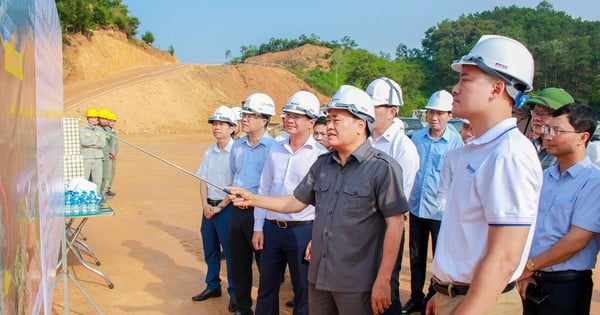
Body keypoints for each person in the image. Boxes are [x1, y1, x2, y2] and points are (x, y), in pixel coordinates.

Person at [227, 85, 408, 315]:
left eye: (337, 120)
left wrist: (384, 280)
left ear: (360, 124)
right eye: (329, 118)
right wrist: (254, 199)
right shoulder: (323, 164)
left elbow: (396, 224)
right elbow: (295, 202)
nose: (329, 126)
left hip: (357, 283)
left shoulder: (382, 168)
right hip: (320, 279)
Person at [426, 34, 543, 315]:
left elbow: (504, 258)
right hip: (463, 296)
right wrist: (444, 293)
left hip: (484, 304)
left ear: (496, 88)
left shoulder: (508, 154)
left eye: (465, 79)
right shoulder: (478, 148)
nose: (455, 89)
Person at [518, 103, 600, 315]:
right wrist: (530, 273)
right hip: (535, 280)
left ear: (583, 137)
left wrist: (528, 267)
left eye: (557, 131)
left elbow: (577, 240)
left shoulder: (593, 182)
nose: (548, 136)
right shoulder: (545, 177)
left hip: (567, 286)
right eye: (547, 129)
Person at [253, 91, 327, 315]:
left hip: (303, 231)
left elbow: (323, 203)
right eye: (288, 115)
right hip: (272, 228)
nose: (290, 120)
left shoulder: (320, 156)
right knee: (266, 287)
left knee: (303, 290)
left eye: (297, 116)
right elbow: (264, 189)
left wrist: (316, 238)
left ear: (312, 122)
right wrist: (258, 226)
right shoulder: (275, 148)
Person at [404, 90, 463, 314]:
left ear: (449, 115)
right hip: (417, 208)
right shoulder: (417, 138)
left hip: (441, 213)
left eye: (439, 113)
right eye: (431, 112)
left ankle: (435, 297)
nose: (434, 117)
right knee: (416, 257)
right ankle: (416, 297)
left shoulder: (456, 143)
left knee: (440, 259)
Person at [366, 77, 420, 314]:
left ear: (392, 111)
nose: (369, 112)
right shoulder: (364, 140)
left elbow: (399, 201)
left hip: (386, 228)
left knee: (386, 289)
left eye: (375, 107)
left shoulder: (403, 148)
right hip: (359, 228)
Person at [229, 93, 276, 315]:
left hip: (262, 215)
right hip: (237, 213)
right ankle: (242, 308)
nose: (244, 119)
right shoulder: (237, 146)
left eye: (250, 115)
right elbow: (234, 175)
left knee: (266, 269)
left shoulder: (274, 149)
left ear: (264, 120)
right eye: (244, 114)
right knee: (238, 266)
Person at [192, 106, 239, 312]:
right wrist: (205, 205)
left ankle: (236, 293)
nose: (216, 127)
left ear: (232, 128)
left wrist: (220, 207)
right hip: (208, 208)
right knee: (210, 249)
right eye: (214, 124)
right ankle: (212, 286)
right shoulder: (209, 151)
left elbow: (237, 186)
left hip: (226, 209)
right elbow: (202, 179)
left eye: (221, 124)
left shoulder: (237, 152)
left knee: (231, 252)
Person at [526, 87, 575, 169]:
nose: (537, 118)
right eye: (535, 112)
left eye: (544, 114)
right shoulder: (526, 146)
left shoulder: (565, 155)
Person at [79, 108, 106, 191]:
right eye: (91, 118)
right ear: (88, 119)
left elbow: (102, 144)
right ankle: (84, 198)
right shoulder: (82, 129)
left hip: (98, 158)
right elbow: (83, 142)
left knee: (97, 181)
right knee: (84, 179)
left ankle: (96, 198)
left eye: (95, 118)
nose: (93, 120)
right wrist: (95, 141)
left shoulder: (101, 130)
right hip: (86, 158)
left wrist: (90, 144)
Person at [97, 108, 115, 198]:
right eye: (104, 119)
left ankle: (103, 194)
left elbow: (110, 142)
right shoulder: (96, 129)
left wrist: (111, 151)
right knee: (98, 178)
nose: (107, 121)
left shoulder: (107, 130)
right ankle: (100, 194)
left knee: (106, 176)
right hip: (98, 157)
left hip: (106, 156)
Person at [105, 111, 119, 197]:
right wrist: (110, 153)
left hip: (114, 156)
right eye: (111, 121)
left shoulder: (113, 131)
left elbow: (115, 145)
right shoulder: (106, 131)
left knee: (112, 173)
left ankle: (108, 188)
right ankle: (105, 190)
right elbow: (107, 144)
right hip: (109, 156)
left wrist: (115, 152)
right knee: (107, 173)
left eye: (114, 121)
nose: (113, 123)